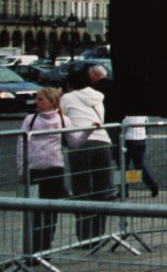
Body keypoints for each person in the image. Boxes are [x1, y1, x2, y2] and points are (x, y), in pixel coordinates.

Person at [59, 66, 115, 240]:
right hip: (103, 141)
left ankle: (84, 235)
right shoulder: (98, 98)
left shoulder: (67, 97)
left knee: (81, 189)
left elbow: (61, 118)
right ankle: (98, 234)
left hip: (81, 143)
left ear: (70, 84)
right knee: (102, 190)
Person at [15, 86, 68, 253]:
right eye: (36, 99)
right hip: (34, 169)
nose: (36, 102)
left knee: (51, 210)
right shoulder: (30, 119)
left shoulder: (63, 120)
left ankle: (46, 247)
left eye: (40, 99)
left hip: (54, 169)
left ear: (52, 102)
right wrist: (22, 169)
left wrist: (88, 132)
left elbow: (73, 142)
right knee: (35, 211)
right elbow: (21, 145)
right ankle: (33, 247)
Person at [121, 112, 161, 198]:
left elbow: (123, 125)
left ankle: (124, 191)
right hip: (141, 139)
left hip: (128, 140)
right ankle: (153, 186)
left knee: (123, 165)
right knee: (139, 165)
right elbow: (146, 123)